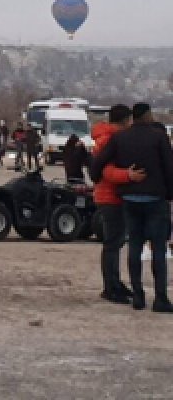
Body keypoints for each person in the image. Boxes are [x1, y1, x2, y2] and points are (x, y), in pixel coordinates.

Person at [91, 102, 173, 312]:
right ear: (147, 115)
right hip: (155, 199)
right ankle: (160, 298)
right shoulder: (158, 136)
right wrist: (169, 195)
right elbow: (169, 167)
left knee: (134, 247)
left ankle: (138, 296)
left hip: (129, 200)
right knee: (158, 249)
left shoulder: (119, 138)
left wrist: (98, 176)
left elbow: (98, 164)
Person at [91, 104, 137, 304]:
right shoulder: (109, 141)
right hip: (110, 197)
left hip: (108, 196)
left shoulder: (104, 138)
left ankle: (115, 283)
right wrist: (129, 175)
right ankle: (111, 287)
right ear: (126, 121)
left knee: (115, 243)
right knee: (112, 243)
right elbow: (107, 172)